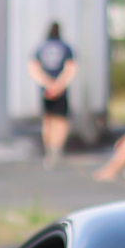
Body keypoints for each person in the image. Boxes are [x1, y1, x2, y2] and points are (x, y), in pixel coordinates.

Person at [28, 21, 77, 165]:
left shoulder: (40, 47)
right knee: (61, 121)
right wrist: (59, 85)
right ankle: (57, 149)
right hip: (60, 90)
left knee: (48, 121)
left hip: (46, 90)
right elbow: (71, 68)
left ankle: (48, 150)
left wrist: (47, 84)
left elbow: (33, 68)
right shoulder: (66, 47)